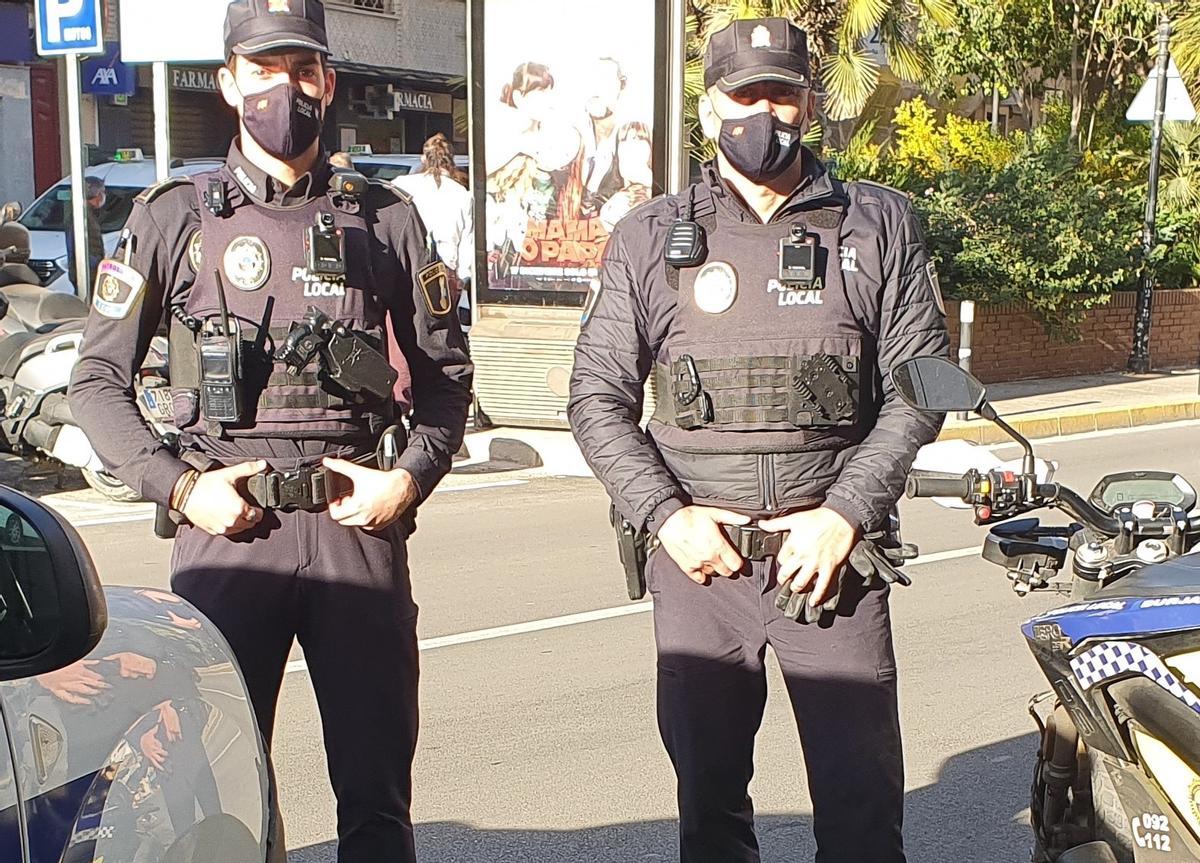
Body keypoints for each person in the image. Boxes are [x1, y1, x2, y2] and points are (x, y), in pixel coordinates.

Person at [67, 2, 473, 861]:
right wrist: (180, 487)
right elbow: (96, 383)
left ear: (327, 80)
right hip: (227, 535)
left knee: (376, 800)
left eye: (302, 68)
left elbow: (447, 382)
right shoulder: (174, 217)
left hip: (355, 532)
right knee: (220, 802)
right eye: (264, 69)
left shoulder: (385, 219)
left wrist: (410, 479)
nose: (284, 88)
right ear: (228, 81)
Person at [568, 17, 950, 863]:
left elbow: (921, 387)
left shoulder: (876, 226)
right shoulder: (648, 239)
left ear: (808, 104)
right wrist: (665, 517)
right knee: (709, 816)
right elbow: (595, 398)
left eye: (782, 94)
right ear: (711, 109)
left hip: (832, 566)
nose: (764, 114)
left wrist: (846, 512)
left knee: (862, 817)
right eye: (746, 95)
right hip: (703, 566)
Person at [393, 133, 473, 298]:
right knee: (442, 321)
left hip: (406, 267)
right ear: (452, 160)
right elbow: (467, 241)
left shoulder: (401, 184)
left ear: (423, 159)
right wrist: (463, 278)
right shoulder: (461, 193)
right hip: (444, 271)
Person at [66, 176, 106, 291]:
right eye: (103, 191)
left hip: (87, 273)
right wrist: (99, 262)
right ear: (98, 194)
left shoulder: (87, 213)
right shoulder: (82, 216)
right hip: (87, 274)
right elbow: (75, 246)